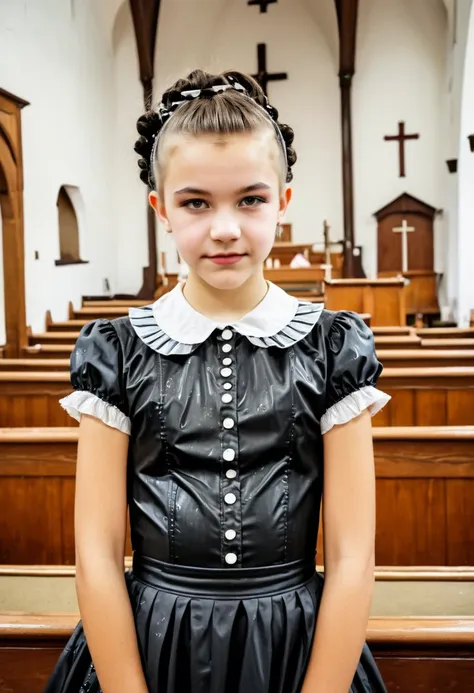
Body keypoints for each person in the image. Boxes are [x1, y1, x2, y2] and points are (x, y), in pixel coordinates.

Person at [44, 69, 390, 693]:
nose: (225, 227)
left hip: (294, 648)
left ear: (283, 200)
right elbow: (95, 555)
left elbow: (352, 557)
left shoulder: (333, 349)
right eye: (196, 202)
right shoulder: (118, 353)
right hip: (152, 646)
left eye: (250, 199)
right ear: (161, 208)